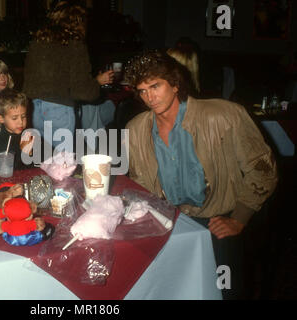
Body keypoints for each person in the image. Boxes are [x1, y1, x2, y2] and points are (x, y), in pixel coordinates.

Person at [124, 50, 278, 299]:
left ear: (175, 84)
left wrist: (240, 217)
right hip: (169, 223)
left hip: (219, 220)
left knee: (223, 292)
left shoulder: (223, 115)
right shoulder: (137, 128)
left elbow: (264, 169)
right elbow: (140, 182)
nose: (149, 97)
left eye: (155, 86)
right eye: (142, 91)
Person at [22, 1, 114, 150]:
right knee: (63, 165)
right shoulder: (75, 44)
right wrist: (97, 83)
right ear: (78, 21)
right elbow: (82, 91)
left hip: (33, 109)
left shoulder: (39, 40)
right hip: (59, 110)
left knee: (41, 159)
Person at [0, 89, 35, 172]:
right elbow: (3, 173)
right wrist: (25, 153)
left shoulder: (29, 136)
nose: (21, 122)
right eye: (14, 118)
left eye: (23, 116)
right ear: (1, 118)